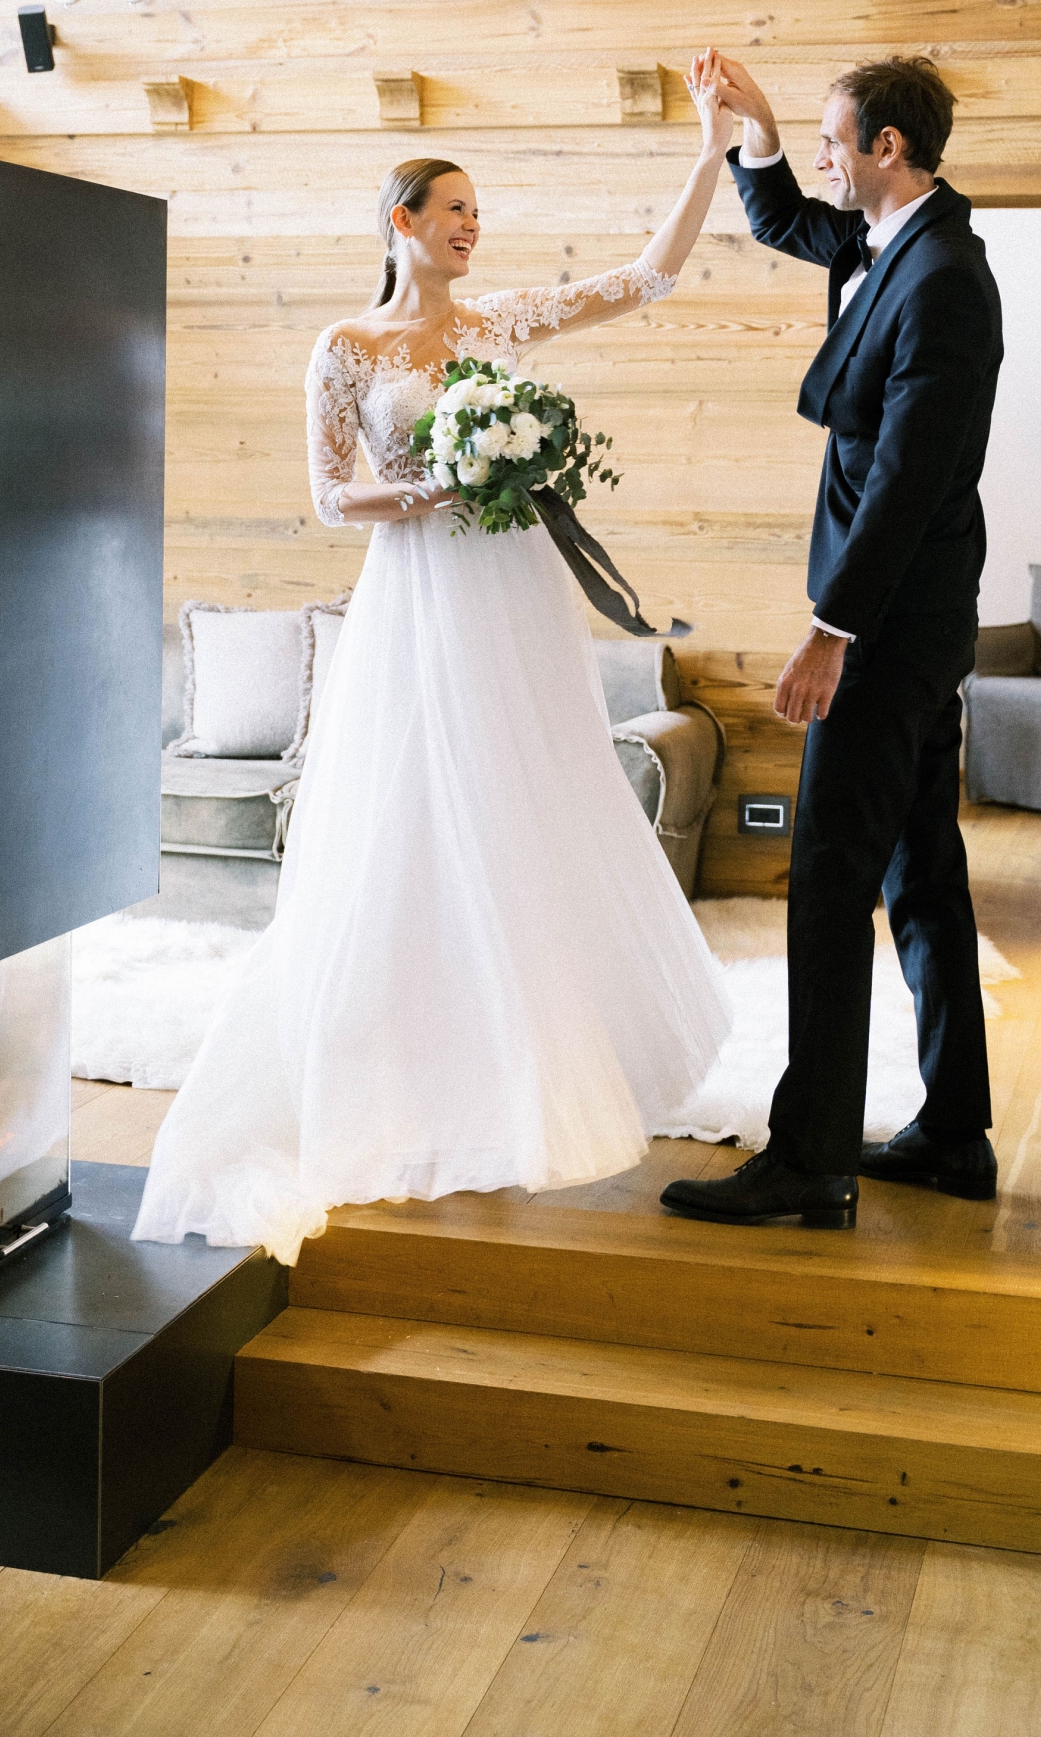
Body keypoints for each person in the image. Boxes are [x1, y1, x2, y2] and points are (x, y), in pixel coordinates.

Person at [133, 66, 738, 1265]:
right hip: (417, 595)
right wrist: (437, 485)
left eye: (476, 212)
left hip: (514, 596)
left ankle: (532, 1062)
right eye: (454, 209)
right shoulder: (346, 347)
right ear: (400, 221)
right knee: (409, 812)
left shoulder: (499, 321)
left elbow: (644, 278)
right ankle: (403, 1068)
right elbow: (329, 495)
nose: (472, 227)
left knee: (527, 806)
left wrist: (709, 149)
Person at [661, 53, 1003, 1232]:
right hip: (913, 625)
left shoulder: (942, 278)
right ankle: (952, 1131)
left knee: (824, 880)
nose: (817, 157)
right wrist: (753, 130)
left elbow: (907, 478)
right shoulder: (888, 239)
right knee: (920, 874)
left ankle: (807, 1157)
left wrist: (829, 633)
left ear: (885, 147)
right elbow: (786, 221)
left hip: (885, 630)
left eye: (826, 138)